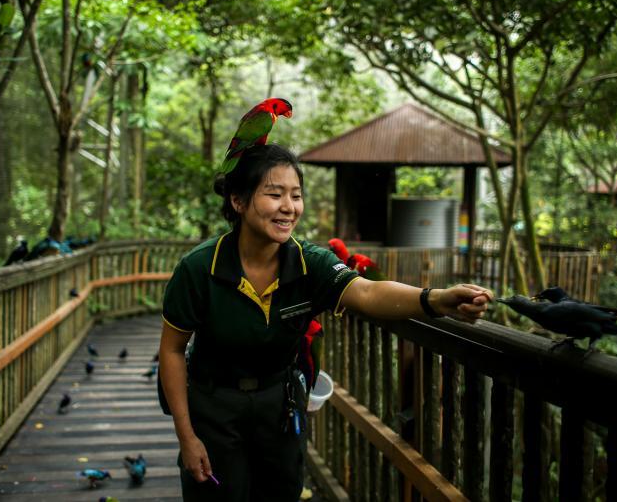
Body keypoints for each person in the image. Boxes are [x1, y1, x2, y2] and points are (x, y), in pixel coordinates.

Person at [158, 143, 493, 502]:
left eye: (296, 195)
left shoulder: (310, 262)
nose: (289, 207)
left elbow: (366, 293)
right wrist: (187, 436)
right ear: (238, 201)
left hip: (279, 405)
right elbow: (173, 351)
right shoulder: (199, 268)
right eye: (274, 194)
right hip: (214, 407)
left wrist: (435, 299)